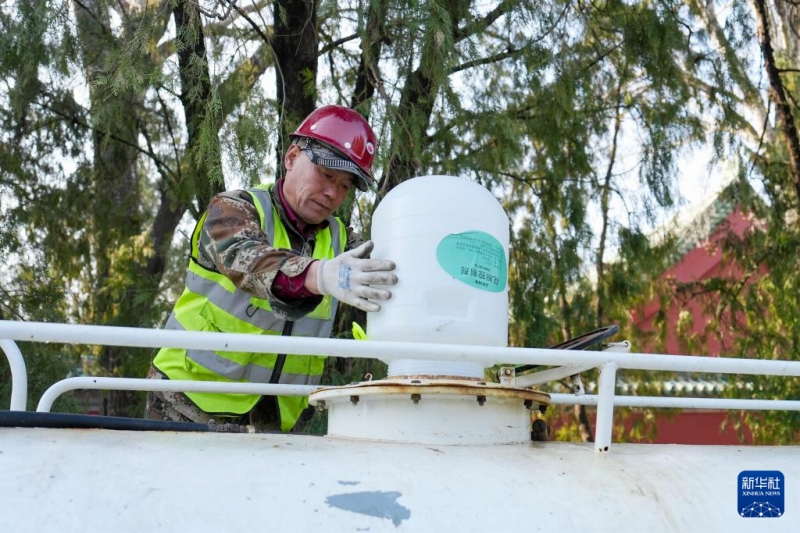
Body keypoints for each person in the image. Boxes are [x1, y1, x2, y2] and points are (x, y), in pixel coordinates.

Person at [145, 105, 398, 432]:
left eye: (345, 186)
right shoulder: (234, 209)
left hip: (276, 419)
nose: (332, 193)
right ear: (291, 157)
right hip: (189, 401)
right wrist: (319, 275)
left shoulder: (343, 241)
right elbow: (247, 258)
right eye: (325, 174)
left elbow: (391, 272)